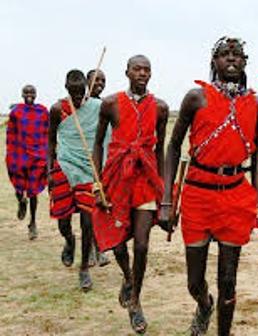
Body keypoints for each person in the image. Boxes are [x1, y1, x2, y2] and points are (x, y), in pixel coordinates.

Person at [159, 37, 258, 336]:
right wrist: (166, 200)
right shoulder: (196, 98)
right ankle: (204, 304)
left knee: (228, 279)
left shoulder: (256, 104)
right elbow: (173, 146)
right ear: (213, 62)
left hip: (236, 195)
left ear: (245, 62)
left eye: (237, 55)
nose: (231, 59)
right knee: (194, 281)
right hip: (197, 194)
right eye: (224, 55)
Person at [92, 55, 168, 334]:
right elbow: (98, 143)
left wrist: (165, 189)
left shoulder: (160, 108)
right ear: (126, 72)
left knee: (142, 245)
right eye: (137, 68)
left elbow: (159, 150)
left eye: (147, 69)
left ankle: (135, 300)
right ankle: (127, 276)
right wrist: (97, 182)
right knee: (118, 243)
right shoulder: (111, 104)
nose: (142, 73)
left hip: (146, 179)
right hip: (115, 177)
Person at [48, 70, 102, 291]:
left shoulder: (94, 108)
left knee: (89, 221)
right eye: (75, 94)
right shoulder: (57, 109)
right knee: (63, 220)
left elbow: (103, 138)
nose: (79, 99)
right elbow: (51, 141)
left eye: (82, 94)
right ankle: (69, 241)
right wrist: (50, 170)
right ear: (67, 89)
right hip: (64, 166)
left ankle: (84, 269)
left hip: (88, 169)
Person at [5, 84, 49, 240]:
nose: (29, 94)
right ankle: (20, 201)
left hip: (37, 156)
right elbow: (11, 134)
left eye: (32, 92)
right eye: (26, 92)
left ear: (36, 94)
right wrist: (11, 153)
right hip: (20, 154)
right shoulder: (16, 112)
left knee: (33, 191)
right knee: (19, 188)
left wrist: (47, 153)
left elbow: (47, 132)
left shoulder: (43, 111)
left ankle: (33, 222)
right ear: (22, 94)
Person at [86, 68, 110, 268]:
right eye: (96, 80)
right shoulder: (79, 105)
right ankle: (90, 250)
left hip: (101, 163)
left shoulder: (106, 105)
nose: (100, 84)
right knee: (87, 211)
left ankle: (99, 247)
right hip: (82, 163)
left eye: (103, 80)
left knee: (99, 207)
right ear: (87, 82)